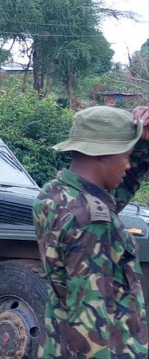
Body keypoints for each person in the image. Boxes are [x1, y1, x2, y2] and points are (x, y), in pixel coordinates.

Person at [33, 105, 149, 359]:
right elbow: (92, 320)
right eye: (127, 156)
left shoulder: (55, 194)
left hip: (60, 344)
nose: (129, 165)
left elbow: (109, 199)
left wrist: (142, 144)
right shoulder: (91, 220)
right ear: (103, 155)